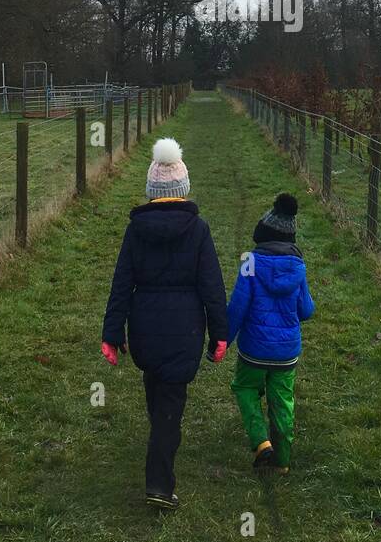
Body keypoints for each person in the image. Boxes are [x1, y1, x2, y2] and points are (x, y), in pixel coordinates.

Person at [101, 137, 228, 510]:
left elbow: (121, 283)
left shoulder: (135, 230)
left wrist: (112, 332)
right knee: (170, 404)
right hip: (185, 330)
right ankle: (158, 483)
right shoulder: (199, 230)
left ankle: (160, 435)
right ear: (183, 188)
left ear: (151, 190)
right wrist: (219, 334)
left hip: (144, 326)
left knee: (157, 387)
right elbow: (212, 286)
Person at [226, 193, 315, 473]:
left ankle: (261, 442)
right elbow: (306, 310)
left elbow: (237, 307)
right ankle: (282, 461)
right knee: (283, 401)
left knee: (245, 388)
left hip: (253, 350)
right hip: (286, 353)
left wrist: (222, 339)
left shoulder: (250, 262)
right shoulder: (298, 267)